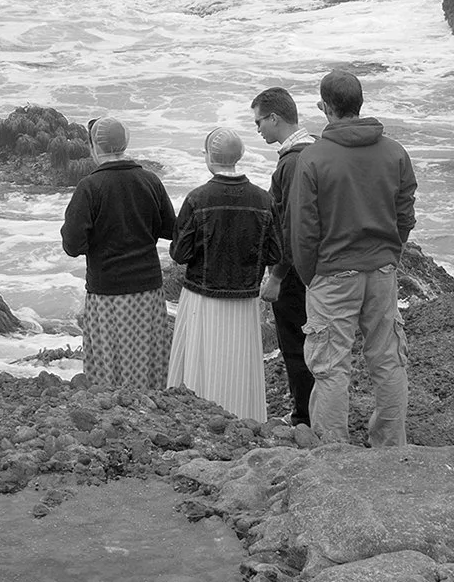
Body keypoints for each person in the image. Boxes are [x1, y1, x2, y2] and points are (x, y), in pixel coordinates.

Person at [288, 71, 416, 446]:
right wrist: (391, 252)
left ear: (325, 107)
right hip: (381, 270)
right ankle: (391, 444)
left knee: (330, 367)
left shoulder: (313, 158)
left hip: (332, 273)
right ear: (359, 104)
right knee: (388, 359)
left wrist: (311, 275)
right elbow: (405, 214)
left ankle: (332, 447)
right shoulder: (394, 152)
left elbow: (304, 229)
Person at [166, 127, 277, 421]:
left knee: (201, 364)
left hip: (202, 298)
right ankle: (244, 421)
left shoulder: (198, 198)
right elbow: (276, 253)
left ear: (209, 157)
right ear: (238, 157)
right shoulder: (263, 200)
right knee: (239, 365)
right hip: (244, 300)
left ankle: (200, 420)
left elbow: (179, 254)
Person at [61, 116, 177, 389]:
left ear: (94, 147)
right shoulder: (149, 180)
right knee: (148, 364)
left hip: (107, 292)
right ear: (125, 144)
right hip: (148, 291)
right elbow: (172, 229)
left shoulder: (90, 187)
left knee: (108, 367)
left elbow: (72, 245)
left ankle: (116, 419)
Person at [250, 87, 316, 428]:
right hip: (321, 265)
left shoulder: (291, 162)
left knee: (296, 343)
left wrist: (275, 276)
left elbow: (290, 226)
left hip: (295, 272)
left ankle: (303, 416)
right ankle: (315, 411)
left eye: (259, 121)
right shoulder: (318, 148)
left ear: (275, 118)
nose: (258, 129)